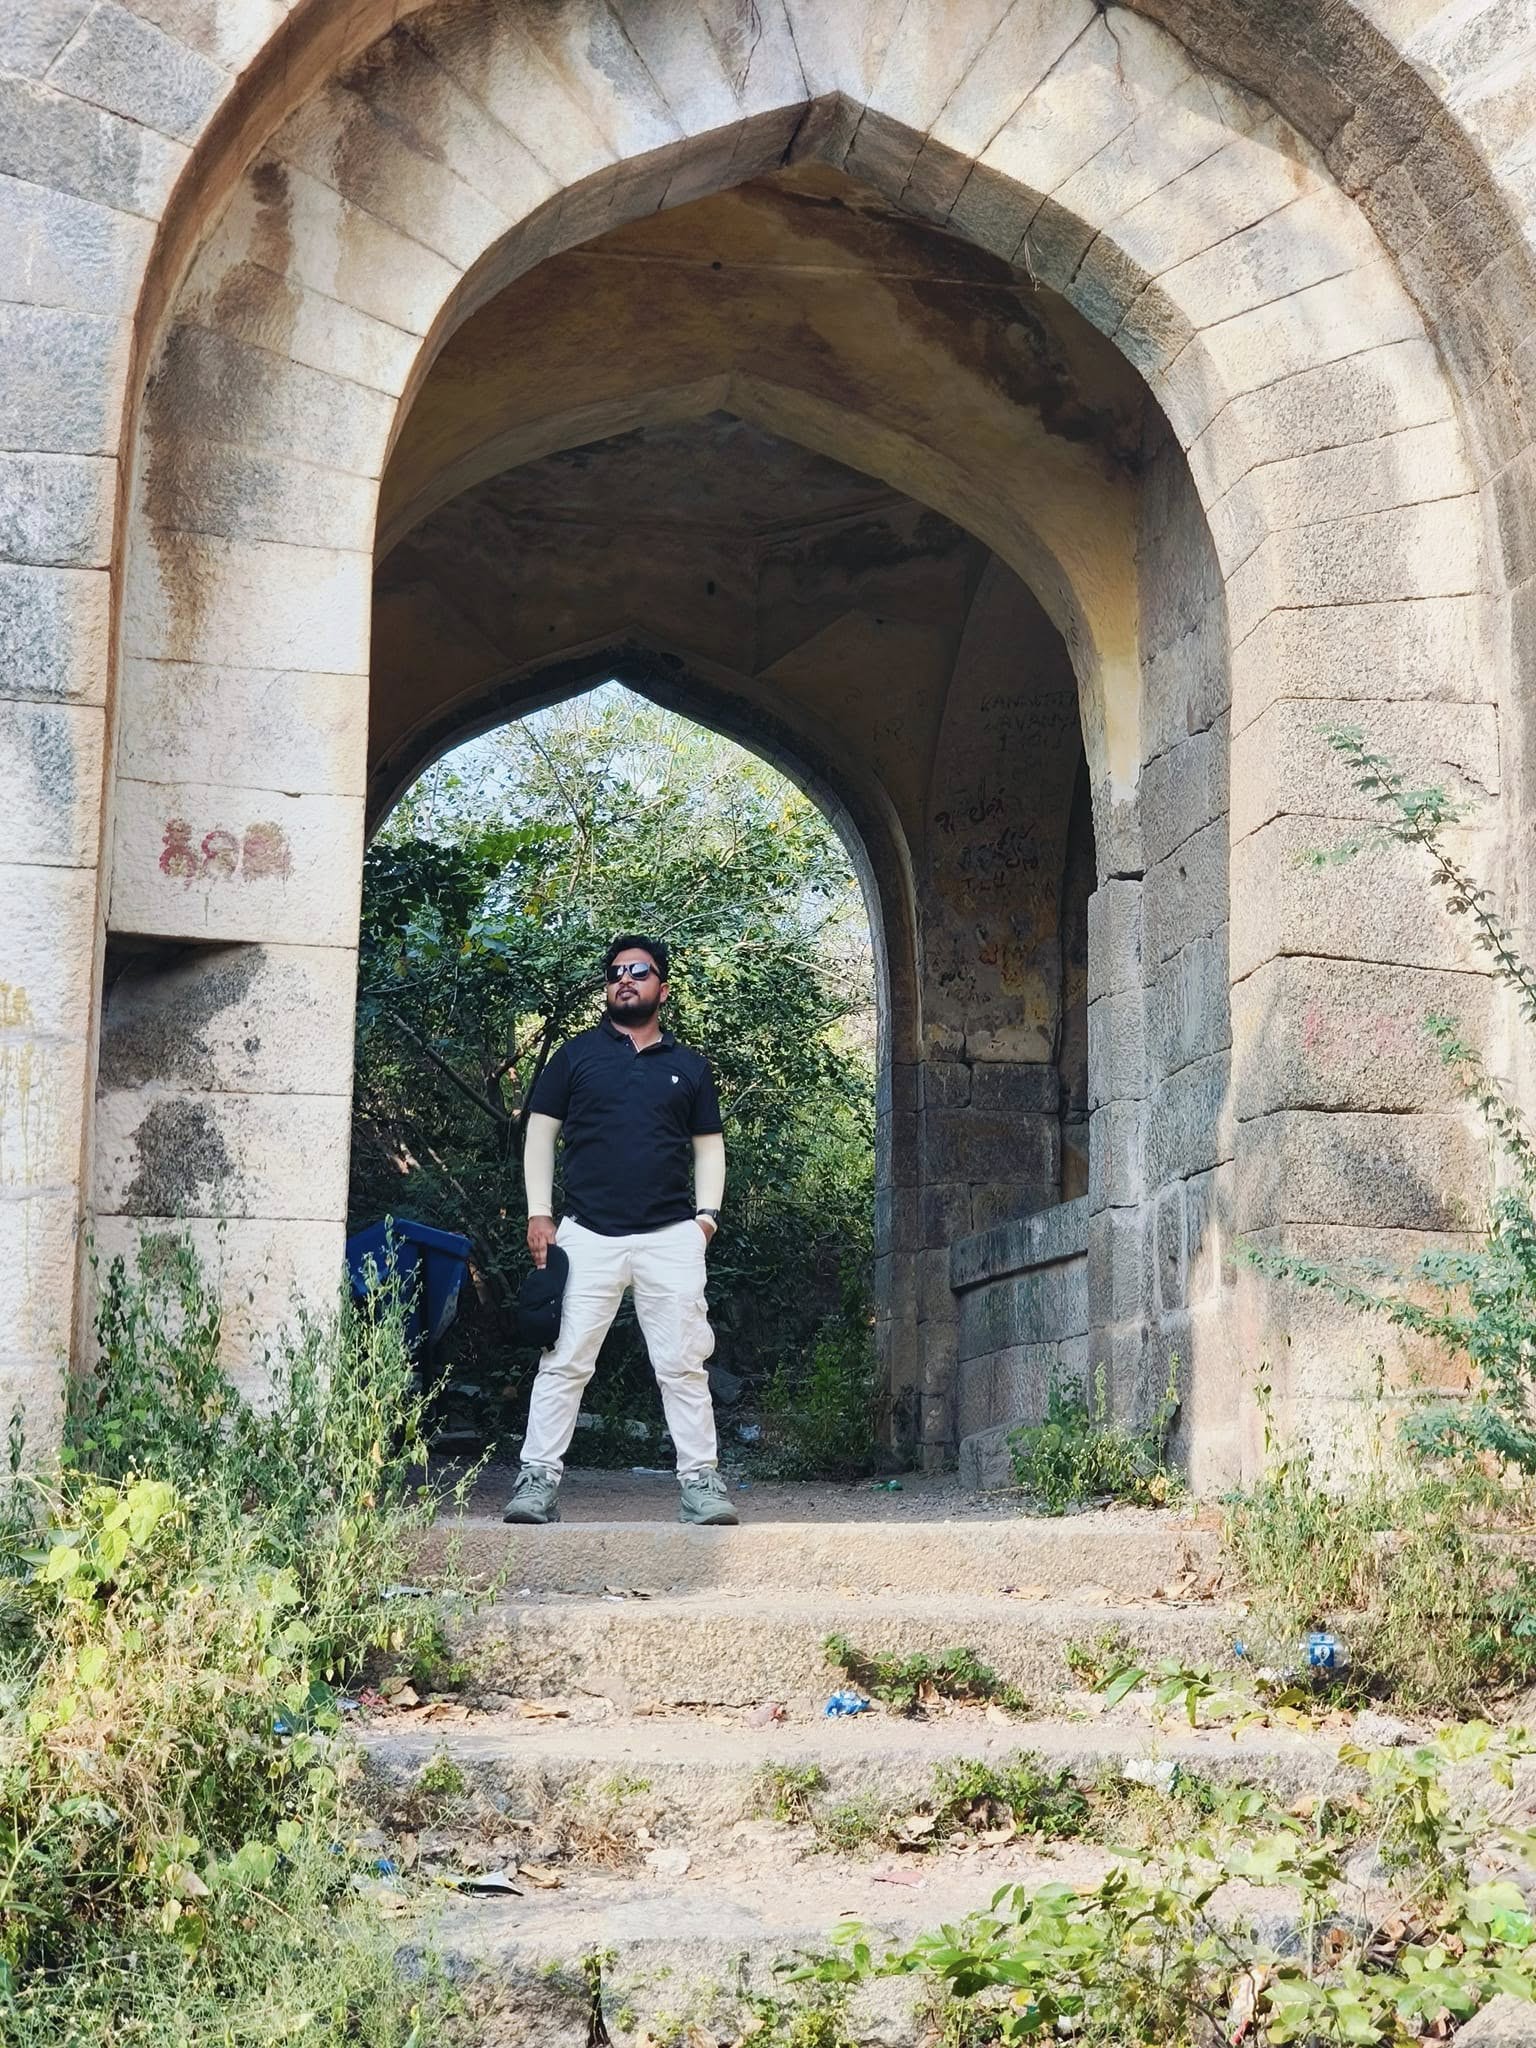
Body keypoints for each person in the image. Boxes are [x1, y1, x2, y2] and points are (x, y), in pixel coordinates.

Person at [502, 934, 738, 1527]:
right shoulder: (575, 1057)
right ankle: (537, 1480)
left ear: (662, 984)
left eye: (638, 971)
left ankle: (701, 1484)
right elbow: (539, 1134)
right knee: (564, 1360)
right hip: (586, 1236)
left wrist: (705, 1217)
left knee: (683, 1363)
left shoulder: (689, 1067)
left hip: (670, 1238)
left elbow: (709, 1147)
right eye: (614, 973)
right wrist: (539, 1212)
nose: (624, 979)